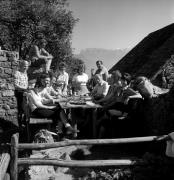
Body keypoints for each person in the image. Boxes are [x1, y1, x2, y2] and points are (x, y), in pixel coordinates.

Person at [14, 60, 29, 127]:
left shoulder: (25, 74)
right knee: (21, 108)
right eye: (24, 66)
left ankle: (24, 122)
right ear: (21, 65)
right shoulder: (17, 73)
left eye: (26, 66)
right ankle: (20, 124)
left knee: (26, 107)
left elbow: (26, 84)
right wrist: (24, 88)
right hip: (20, 92)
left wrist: (26, 89)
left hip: (25, 92)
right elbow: (16, 85)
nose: (25, 67)